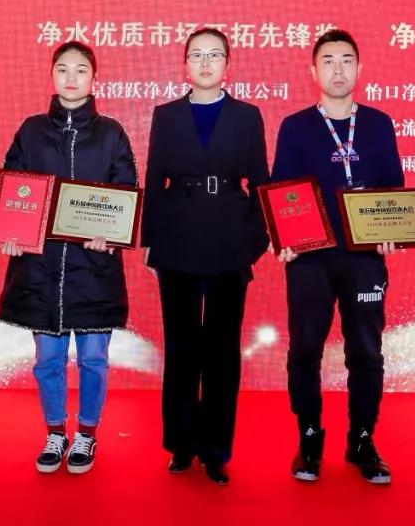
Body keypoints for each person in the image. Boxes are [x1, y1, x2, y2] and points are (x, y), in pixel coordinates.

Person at [0, 41, 137, 475]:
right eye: (62, 69)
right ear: (52, 75)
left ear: (94, 78)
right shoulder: (31, 130)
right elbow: (13, 185)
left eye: (80, 70)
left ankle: (87, 434)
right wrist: (10, 233)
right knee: (47, 361)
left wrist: (112, 235)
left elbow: (126, 191)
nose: (71, 77)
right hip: (40, 267)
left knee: (94, 359)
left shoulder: (112, 133)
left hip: (94, 268)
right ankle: (55, 431)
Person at [271, 28, 403, 484]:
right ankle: (309, 437)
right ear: (313, 71)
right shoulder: (295, 126)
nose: (338, 69)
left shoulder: (379, 124)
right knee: (305, 349)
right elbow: (282, 193)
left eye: (346, 60)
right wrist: (285, 237)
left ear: (359, 68)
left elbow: (392, 190)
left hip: (365, 257)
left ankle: (362, 438)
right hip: (310, 258)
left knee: (366, 350)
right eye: (328, 61)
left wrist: (393, 232)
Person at [141, 27, 270, 485]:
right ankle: (180, 443)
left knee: (221, 350)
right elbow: (154, 178)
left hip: (229, 243)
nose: (206, 62)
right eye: (197, 55)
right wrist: (150, 240)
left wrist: (254, 241)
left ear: (228, 64)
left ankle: (215, 448)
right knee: (181, 348)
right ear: (185, 65)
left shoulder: (247, 116)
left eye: (214, 55)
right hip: (176, 241)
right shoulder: (166, 115)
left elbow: (261, 183)